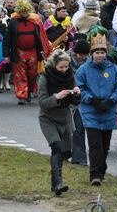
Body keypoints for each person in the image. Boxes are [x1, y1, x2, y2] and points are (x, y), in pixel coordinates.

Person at [75, 32, 117, 186]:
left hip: (108, 111)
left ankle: (101, 169)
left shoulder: (114, 69)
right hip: (91, 111)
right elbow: (80, 88)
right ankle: (95, 174)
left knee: (104, 146)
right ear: (92, 54)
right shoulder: (83, 70)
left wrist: (111, 101)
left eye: (102, 52)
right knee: (95, 145)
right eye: (97, 52)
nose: (100, 55)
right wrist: (92, 99)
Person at [37, 49, 81, 196]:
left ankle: (54, 180)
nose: (64, 70)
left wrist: (77, 94)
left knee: (66, 152)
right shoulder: (45, 78)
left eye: (66, 67)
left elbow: (75, 102)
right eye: (61, 67)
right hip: (48, 118)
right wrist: (57, 97)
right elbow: (42, 103)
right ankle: (58, 183)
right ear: (54, 65)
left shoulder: (70, 76)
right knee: (56, 147)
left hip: (64, 117)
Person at [4, 0, 52, 105]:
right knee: (19, 75)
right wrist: (6, 54)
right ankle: (22, 96)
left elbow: (42, 37)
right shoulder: (13, 22)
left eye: (26, 11)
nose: (24, 13)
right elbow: (7, 39)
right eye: (22, 11)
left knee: (32, 74)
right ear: (19, 11)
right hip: (18, 52)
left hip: (33, 52)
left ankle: (29, 91)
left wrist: (43, 51)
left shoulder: (35, 22)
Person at [67, 38, 90, 166]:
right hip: (68, 97)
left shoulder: (90, 61)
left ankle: (79, 157)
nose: (83, 58)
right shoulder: (65, 60)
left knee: (79, 127)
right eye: (81, 55)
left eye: (86, 56)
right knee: (67, 129)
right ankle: (64, 152)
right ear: (75, 53)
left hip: (84, 98)